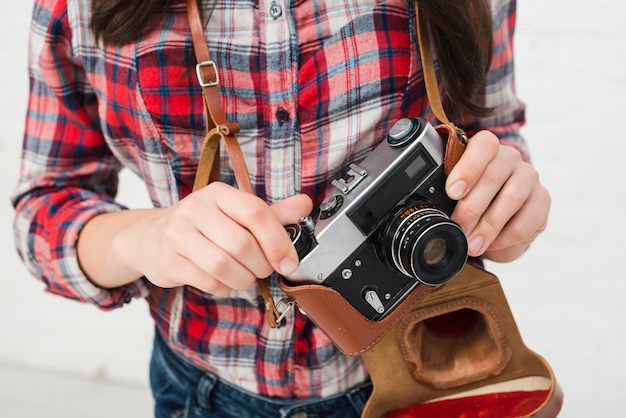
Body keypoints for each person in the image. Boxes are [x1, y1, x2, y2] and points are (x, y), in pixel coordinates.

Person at [12, 0, 550, 416]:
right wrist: (146, 238)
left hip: (429, 376)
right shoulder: (74, 8)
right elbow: (42, 210)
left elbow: (495, 132)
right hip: (203, 387)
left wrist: (505, 206)